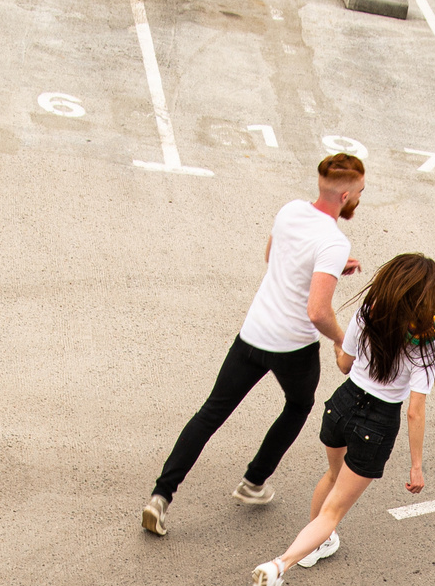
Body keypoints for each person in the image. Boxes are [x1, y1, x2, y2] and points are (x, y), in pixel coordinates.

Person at [142, 155, 365, 538]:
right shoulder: (333, 241)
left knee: (210, 413)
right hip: (293, 347)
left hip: (253, 332)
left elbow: (271, 257)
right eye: (360, 192)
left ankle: (160, 497)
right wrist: (344, 339)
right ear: (345, 195)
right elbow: (317, 311)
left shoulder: (291, 210)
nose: (360, 198)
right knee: (298, 406)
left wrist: (324, 268)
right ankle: (254, 481)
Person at [248, 253, 435, 586]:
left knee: (332, 476)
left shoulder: (368, 312)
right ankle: (281, 565)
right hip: (378, 423)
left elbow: (344, 365)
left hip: (341, 405)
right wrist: (416, 465)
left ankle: (313, 546)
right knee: (334, 511)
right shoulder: (425, 340)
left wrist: (342, 348)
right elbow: (415, 410)